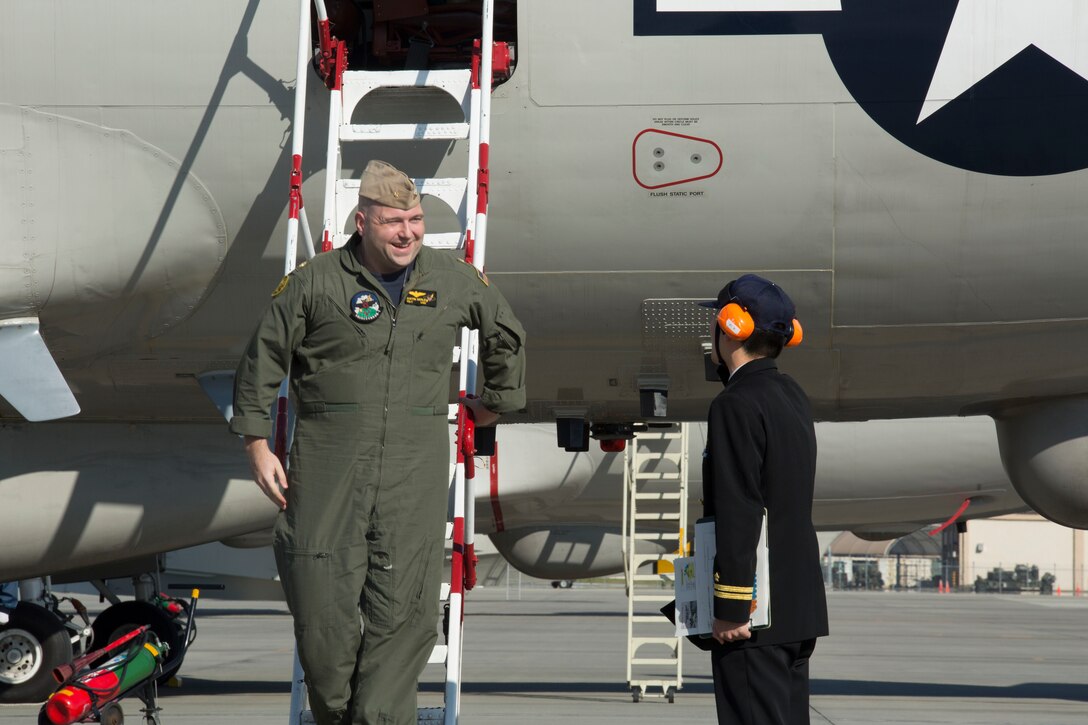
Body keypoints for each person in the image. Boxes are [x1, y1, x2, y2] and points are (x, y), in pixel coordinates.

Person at [229, 160, 526, 725]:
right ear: (362, 221)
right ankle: (343, 713)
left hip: (412, 470)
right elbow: (263, 356)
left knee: (407, 613)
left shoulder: (451, 278)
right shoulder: (316, 282)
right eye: (393, 222)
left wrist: (494, 403)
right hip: (326, 468)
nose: (408, 232)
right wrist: (256, 443)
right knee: (320, 616)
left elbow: (505, 332)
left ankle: (378, 717)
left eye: (415, 220)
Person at [700, 274, 828, 725]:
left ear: (731, 327)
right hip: (797, 611)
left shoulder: (735, 404)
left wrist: (732, 607)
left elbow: (741, 507)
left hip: (756, 617)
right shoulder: (791, 395)